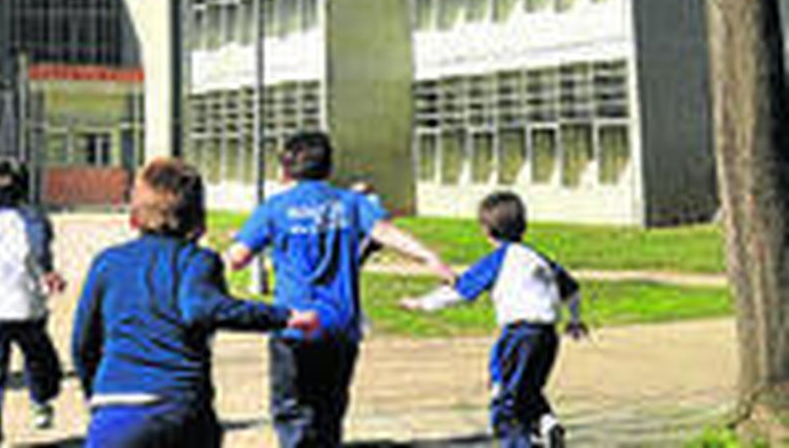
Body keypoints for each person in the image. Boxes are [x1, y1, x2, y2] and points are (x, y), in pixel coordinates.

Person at [226, 131, 455, 448]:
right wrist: (429, 257)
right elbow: (386, 233)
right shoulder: (350, 203)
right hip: (340, 327)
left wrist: (237, 242)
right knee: (329, 411)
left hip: (294, 326)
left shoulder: (274, 208)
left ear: (285, 170)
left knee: (292, 411)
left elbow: (237, 260)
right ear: (328, 167)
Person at [72, 157, 319, 447]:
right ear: (197, 216)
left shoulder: (107, 263)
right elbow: (202, 308)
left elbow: (82, 344)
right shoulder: (196, 261)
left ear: (134, 214)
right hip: (178, 405)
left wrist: (97, 394)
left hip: (115, 412)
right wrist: (284, 316)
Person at [400, 191, 587, 448]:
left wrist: (421, 303)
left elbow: (461, 290)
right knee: (527, 391)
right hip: (547, 335)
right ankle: (547, 424)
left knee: (505, 407)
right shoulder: (539, 258)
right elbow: (572, 289)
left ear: (487, 230)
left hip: (519, 334)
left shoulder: (500, 259)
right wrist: (575, 320)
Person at [0, 157, 63, 446]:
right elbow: (42, 253)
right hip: (27, 308)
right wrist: (49, 272)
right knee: (40, 360)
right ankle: (41, 400)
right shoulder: (34, 220)